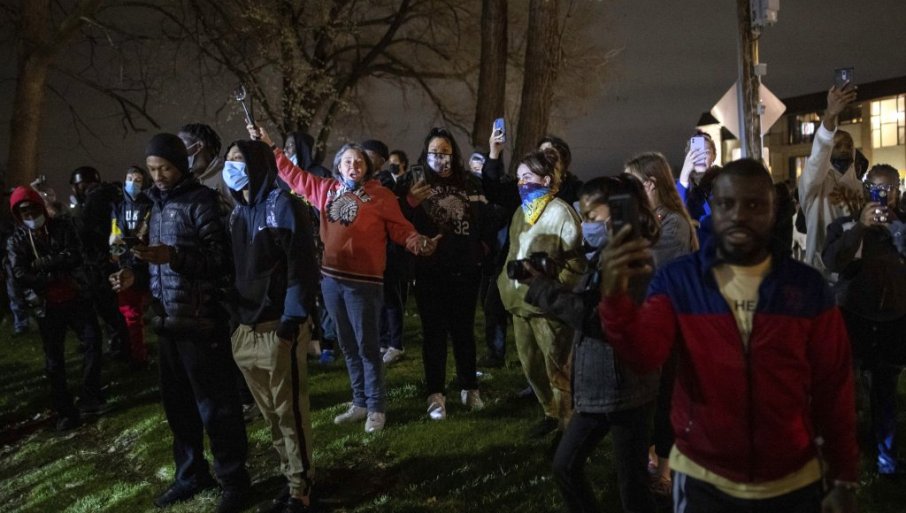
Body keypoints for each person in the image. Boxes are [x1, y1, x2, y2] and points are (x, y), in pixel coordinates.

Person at [599, 159, 859, 513]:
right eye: (726, 204)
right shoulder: (679, 280)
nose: (739, 215)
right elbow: (644, 355)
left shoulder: (807, 288)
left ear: (773, 210)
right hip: (704, 477)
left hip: (791, 478)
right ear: (713, 209)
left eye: (754, 204)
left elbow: (834, 388)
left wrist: (843, 477)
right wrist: (615, 297)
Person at [249, 124, 438, 433]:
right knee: (348, 346)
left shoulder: (381, 196)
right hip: (332, 281)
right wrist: (270, 146)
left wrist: (417, 242)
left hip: (364, 283)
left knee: (367, 346)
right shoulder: (326, 190)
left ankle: (376, 407)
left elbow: (400, 228)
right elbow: (293, 175)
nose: (354, 165)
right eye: (348, 161)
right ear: (338, 166)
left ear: (367, 167)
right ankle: (360, 402)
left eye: (359, 161)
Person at [122, 133, 249, 512]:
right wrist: (133, 276)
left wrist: (175, 257)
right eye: (152, 169)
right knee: (179, 409)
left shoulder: (203, 202)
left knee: (217, 408)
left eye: (164, 168)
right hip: (167, 323)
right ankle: (191, 474)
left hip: (200, 323)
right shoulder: (154, 207)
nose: (157, 176)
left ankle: (235, 481)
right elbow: (154, 263)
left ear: (180, 165)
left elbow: (220, 261)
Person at [524, 176, 659, 513]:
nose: (585, 225)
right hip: (599, 387)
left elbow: (598, 320)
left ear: (618, 212)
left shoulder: (632, 261)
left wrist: (542, 290)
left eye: (591, 216)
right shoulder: (604, 256)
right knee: (565, 466)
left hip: (626, 389)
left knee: (631, 487)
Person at [223, 139, 320, 513]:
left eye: (239, 159)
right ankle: (291, 476)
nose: (232, 167)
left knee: (290, 412)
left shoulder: (284, 206)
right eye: (229, 160)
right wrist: (235, 322)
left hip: (279, 327)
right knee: (271, 416)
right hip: (246, 330)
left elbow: (302, 266)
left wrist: (291, 321)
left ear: (258, 164)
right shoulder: (237, 215)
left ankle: (301, 489)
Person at [404, 127, 500, 419]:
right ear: (425, 154)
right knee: (434, 334)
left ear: (454, 154)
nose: (440, 157)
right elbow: (399, 221)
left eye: (445, 152)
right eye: (434, 152)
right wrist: (409, 202)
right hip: (430, 270)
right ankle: (436, 394)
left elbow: (487, 218)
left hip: (465, 269)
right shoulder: (416, 182)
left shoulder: (469, 182)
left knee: (464, 332)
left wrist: (482, 247)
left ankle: (469, 387)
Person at [823, 163, 906, 478]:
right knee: (848, 391)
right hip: (854, 318)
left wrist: (895, 228)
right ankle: (845, 458)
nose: (883, 195)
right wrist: (860, 227)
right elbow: (832, 260)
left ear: (897, 191)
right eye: (876, 189)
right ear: (866, 190)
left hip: (892, 320)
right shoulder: (845, 224)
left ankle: (887, 459)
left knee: (885, 391)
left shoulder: (902, 225)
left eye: (889, 188)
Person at [624, 151, 698, 497]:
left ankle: (666, 469)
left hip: (668, 323)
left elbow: (653, 267)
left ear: (650, 184)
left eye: (633, 183)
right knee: (648, 395)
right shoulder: (646, 218)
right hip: (646, 320)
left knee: (665, 395)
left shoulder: (673, 223)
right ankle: (651, 456)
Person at [498, 148, 586, 437]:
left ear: (546, 179)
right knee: (531, 365)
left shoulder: (562, 213)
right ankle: (550, 412)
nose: (522, 182)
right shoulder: (520, 212)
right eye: (519, 177)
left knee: (557, 368)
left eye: (528, 176)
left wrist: (557, 292)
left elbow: (576, 262)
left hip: (548, 307)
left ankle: (567, 424)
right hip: (519, 303)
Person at [7, 186, 105, 431]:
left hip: (75, 297)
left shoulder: (62, 227)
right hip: (47, 307)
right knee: (54, 361)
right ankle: (65, 411)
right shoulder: (17, 240)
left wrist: (43, 264)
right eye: (24, 212)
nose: (30, 215)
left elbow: (74, 255)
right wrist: (53, 273)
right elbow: (21, 273)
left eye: (33, 209)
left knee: (93, 342)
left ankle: (90, 394)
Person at [69, 166, 132, 361]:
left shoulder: (94, 200)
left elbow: (84, 230)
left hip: (101, 260)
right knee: (115, 307)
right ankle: (123, 345)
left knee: (108, 308)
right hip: (113, 256)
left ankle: (121, 348)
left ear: (81, 184)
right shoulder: (110, 194)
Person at [798, 83, 862, 275]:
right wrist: (830, 115)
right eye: (838, 146)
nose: (844, 150)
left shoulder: (859, 186)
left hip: (854, 272)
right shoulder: (815, 183)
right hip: (822, 272)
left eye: (848, 146)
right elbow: (818, 154)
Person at [108, 166, 152, 368]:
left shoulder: (150, 205)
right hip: (126, 264)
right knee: (130, 314)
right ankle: (137, 355)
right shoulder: (118, 206)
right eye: (130, 178)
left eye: (138, 180)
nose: (133, 183)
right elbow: (115, 233)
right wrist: (117, 257)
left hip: (148, 263)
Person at [377, 149, 412, 365]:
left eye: (396, 163)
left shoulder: (408, 184)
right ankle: (383, 340)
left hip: (400, 250)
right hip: (386, 248)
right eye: (390, 162)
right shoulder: (384, 182)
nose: (392, 166)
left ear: (404, 164)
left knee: (395, 298)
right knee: (384, 298)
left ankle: (396, 343)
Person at [178, 122, 234, 208]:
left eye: (181, 145)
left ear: (199, 146)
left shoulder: (228, 176)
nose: (178, 151)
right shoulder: (186, 182)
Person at [538, 136, 583, 206]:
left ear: (563, 162)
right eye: (540, 154)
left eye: (550, 155)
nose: (544, 159)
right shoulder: (526, 186)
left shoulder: (577, 190)